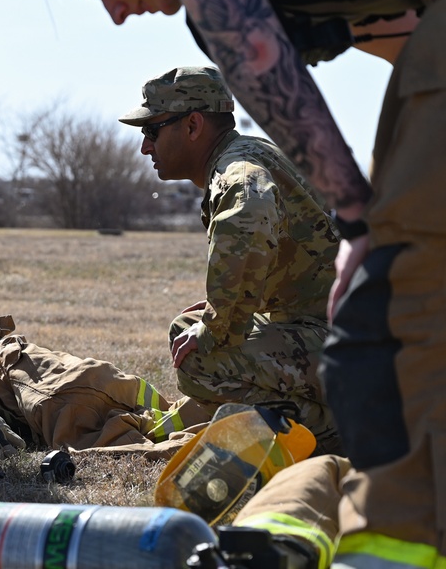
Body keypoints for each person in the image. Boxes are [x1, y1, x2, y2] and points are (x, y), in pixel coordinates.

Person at [37, 0, 446, 565]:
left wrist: (363, 223)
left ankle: (394, 541)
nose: (112, 15)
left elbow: (254, 51)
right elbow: (398, 26)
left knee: (388, 323)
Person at [120, 65, 341, 455]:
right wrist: (216, 315)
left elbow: (251, 217)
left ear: (192, 126)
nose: (145, 147)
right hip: (335, 329)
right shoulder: (253, 153)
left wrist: (218, 324)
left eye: (152, 131)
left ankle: (341, 428)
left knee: (200, 360)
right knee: (187, 328)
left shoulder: (237, 173)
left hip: (347, 344)